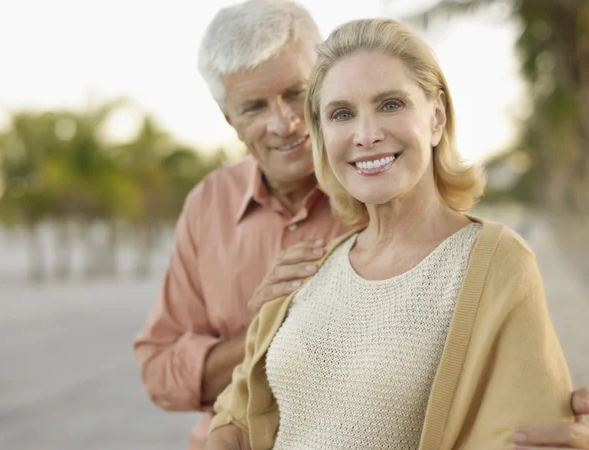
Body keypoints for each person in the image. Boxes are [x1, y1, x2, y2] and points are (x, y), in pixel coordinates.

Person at [133, 1, 589, 449]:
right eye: (342, 113)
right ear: (231, 120)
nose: (284, 123)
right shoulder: (228, 214)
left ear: (436, 116)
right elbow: (223, 393)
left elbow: (525, 423)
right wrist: (259, 337)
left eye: (390, 104)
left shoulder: (488, 257)